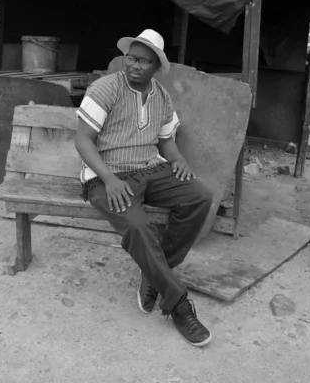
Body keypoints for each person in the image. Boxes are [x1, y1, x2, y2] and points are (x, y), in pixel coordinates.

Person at [75, 29, 213, 347]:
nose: (135, 65)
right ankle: (178, 304)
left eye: (144, 61)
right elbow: (82, 139)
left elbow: (166, 140)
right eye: (132, 58)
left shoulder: (161, 97)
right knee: (139, 225)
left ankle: (154, 274)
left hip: (150, 169)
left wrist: (178, 160)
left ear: (155, 67)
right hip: (106, 177)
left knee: (199, 197)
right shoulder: (105, 88)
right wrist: (109, 179)